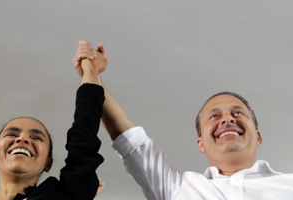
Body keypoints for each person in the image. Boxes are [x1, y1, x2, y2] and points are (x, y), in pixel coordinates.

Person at [74, 41, 293, 200]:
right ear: (200, 144)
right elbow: (127, 137)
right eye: (214, 116)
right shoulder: (175, 187)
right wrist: (91, 74)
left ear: (258, 137)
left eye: (238, 113)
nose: (227, 119)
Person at [0, 49, 108, 200]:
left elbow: (84, 134)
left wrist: (90, 71)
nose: (22, 139)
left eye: (37, 138)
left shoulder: (62, 195)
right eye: (12, 134)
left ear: (48, 163)